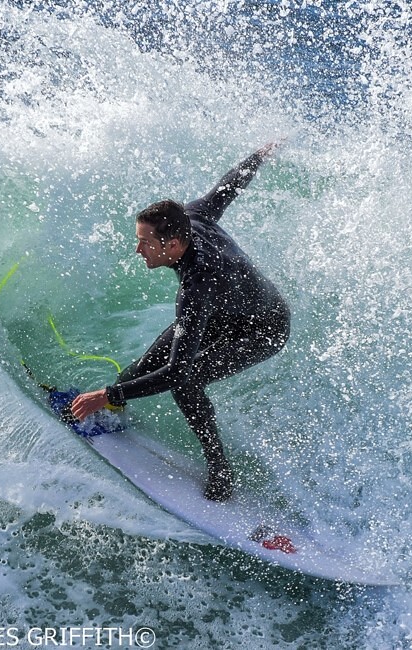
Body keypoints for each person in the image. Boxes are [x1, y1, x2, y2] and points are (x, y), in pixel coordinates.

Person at [71, 143, 290, 501]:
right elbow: (227, 188)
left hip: (263, 328)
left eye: (144, 242)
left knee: (184, 382)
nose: (137, 249)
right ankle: (113, 408)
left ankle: (220, 470)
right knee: (137, 372)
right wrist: (257, 157)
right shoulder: (192, 218)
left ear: (172, 245)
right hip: (224, 310)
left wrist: (107, 394)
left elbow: (175, 372)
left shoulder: (197, 285)